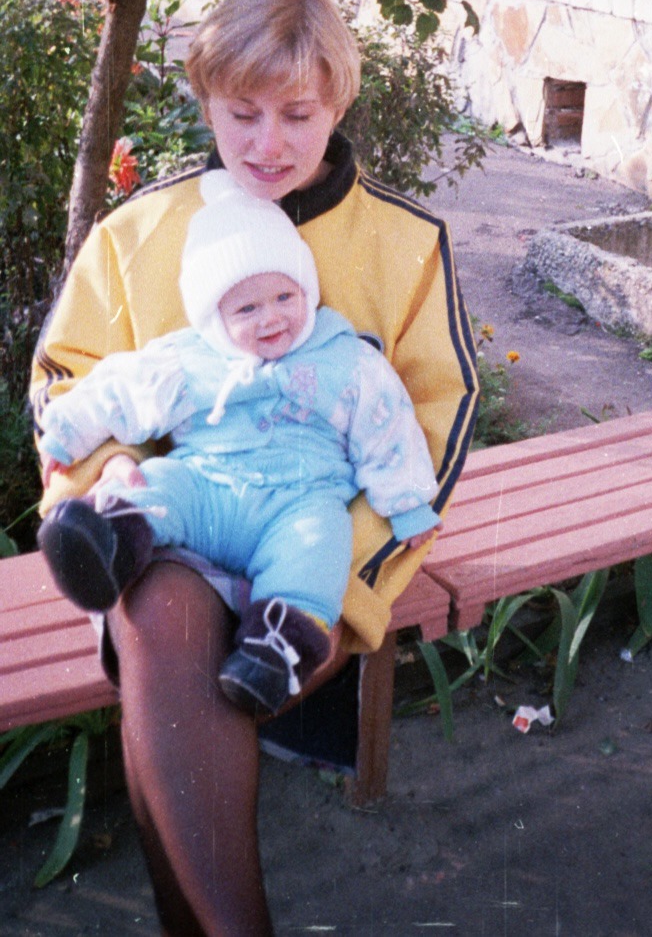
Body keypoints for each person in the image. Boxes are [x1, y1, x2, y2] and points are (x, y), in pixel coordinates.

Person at [32, 0, 479, 937]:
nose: (268, 143)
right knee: (159, 615)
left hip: (318, 552)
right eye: (242, 113)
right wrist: (108, 482)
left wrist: (343, 577)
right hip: (171, 522)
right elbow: (68, 378)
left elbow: (435, 425)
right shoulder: (137, 231)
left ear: (338, 105)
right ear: (204, 102)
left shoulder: (405, 243)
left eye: (297, 114)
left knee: (187, 681)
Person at [36, 168, 441, 718]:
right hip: (207, 486)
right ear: (215, 317)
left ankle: (277, 645)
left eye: (284, 296)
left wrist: (408, 502)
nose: (271, 318)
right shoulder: (191, 358)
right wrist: (65, 432)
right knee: (158, 485)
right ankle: (109, 546)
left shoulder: (344, 359)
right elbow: (120, 391)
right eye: (247, 309)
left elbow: (386, 426)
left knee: (320, 545)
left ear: (306, 290)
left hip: (299, 501)